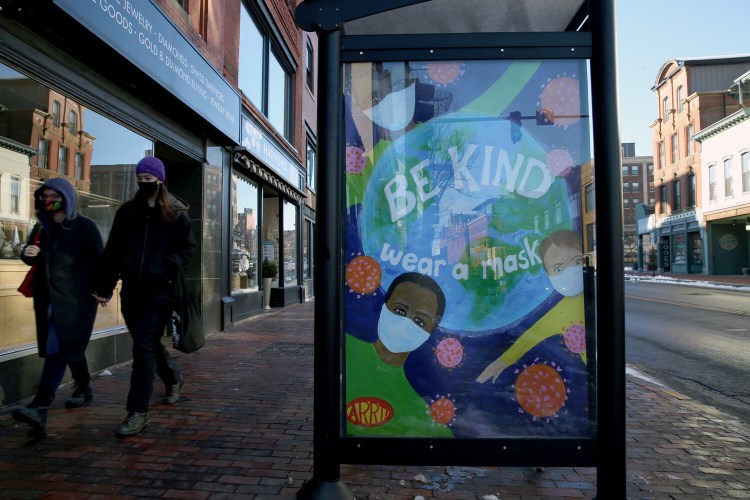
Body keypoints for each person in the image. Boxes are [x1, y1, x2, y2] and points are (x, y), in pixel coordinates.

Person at [94, 156, 196, 437]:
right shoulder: (128, 213)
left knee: (142, 350)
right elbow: (113, 250)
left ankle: (137, 411)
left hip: (160, 293)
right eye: (140, 179)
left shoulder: (176, 214)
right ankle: (173, 377)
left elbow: (187, 250)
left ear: (160, 180)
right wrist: (104, 286)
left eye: (148, 179)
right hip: (132, 293)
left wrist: (165, 268)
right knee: (147, 344)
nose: (143, 183)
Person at [12, 177, 103, 438]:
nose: (48, 200)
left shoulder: (85, 228)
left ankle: (40, 407)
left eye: (54, 195)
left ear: (67, 198)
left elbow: (100, 262)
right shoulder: (41, 228)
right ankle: (82, 388)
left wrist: (104, 290)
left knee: (59, 348)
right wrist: (26, 254)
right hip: (48, 299)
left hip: (75, 301)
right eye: (45, 195)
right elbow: (35, 257)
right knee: (63, 347)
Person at [345, 272, 453, 437]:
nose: (406, 322)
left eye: (419, 321)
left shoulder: (415, 407)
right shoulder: (345, 349)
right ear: (384, 306)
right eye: (400, 311)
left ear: (429, 332)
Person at [476, 229, 586, 384]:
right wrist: (500, 363)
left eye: (576, 261)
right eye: (558, 269)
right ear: (548, 275)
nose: (571, 271)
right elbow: (528, 338)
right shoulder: (560, 312)